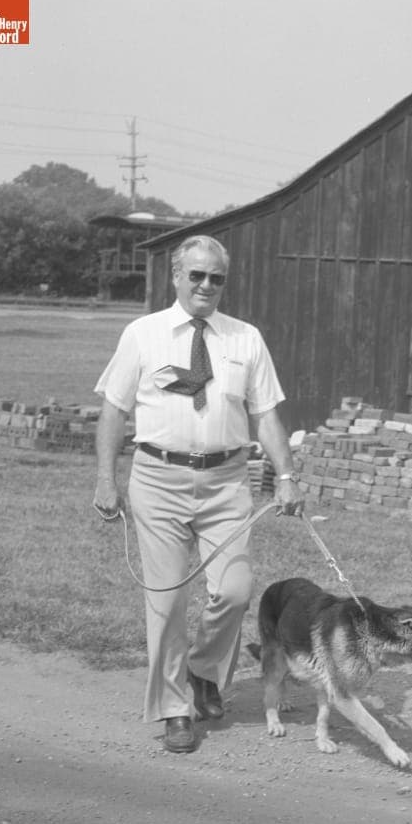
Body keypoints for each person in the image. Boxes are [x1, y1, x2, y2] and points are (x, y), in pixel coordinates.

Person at [93, 234, 304, 754]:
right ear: (176, 276)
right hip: (157, 481)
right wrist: (105, 478)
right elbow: (114, 410)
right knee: (165, 603)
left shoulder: (245, 339)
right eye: (197, 275)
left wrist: (287, 474)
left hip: (227, 482)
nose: (207, 285)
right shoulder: (143, 334)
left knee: (233, 591)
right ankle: (174, 708)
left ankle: (205, 671)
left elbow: (265, 414)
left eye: (216, 278)